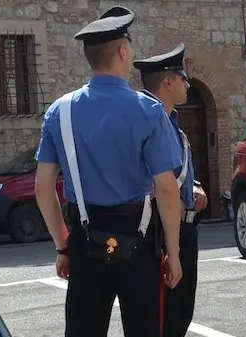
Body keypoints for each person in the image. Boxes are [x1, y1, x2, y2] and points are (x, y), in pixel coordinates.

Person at [33, 6, 184, 337]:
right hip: (139, 241)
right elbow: (167, 189)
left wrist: (62, 246)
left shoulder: (61, 111)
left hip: (84, 240)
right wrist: (173, 253)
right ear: (123, 50)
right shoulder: (148, 110)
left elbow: (43, 188)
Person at [133, 43, 209, 337]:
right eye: (182, 77)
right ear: (167, 82)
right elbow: (152, 182)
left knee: (179, 314)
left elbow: (176, 172)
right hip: (165, 231)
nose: (187, 83)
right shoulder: (152, 124)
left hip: (184, 229)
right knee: (166, 318)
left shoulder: (172, 123)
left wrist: (196, 187)